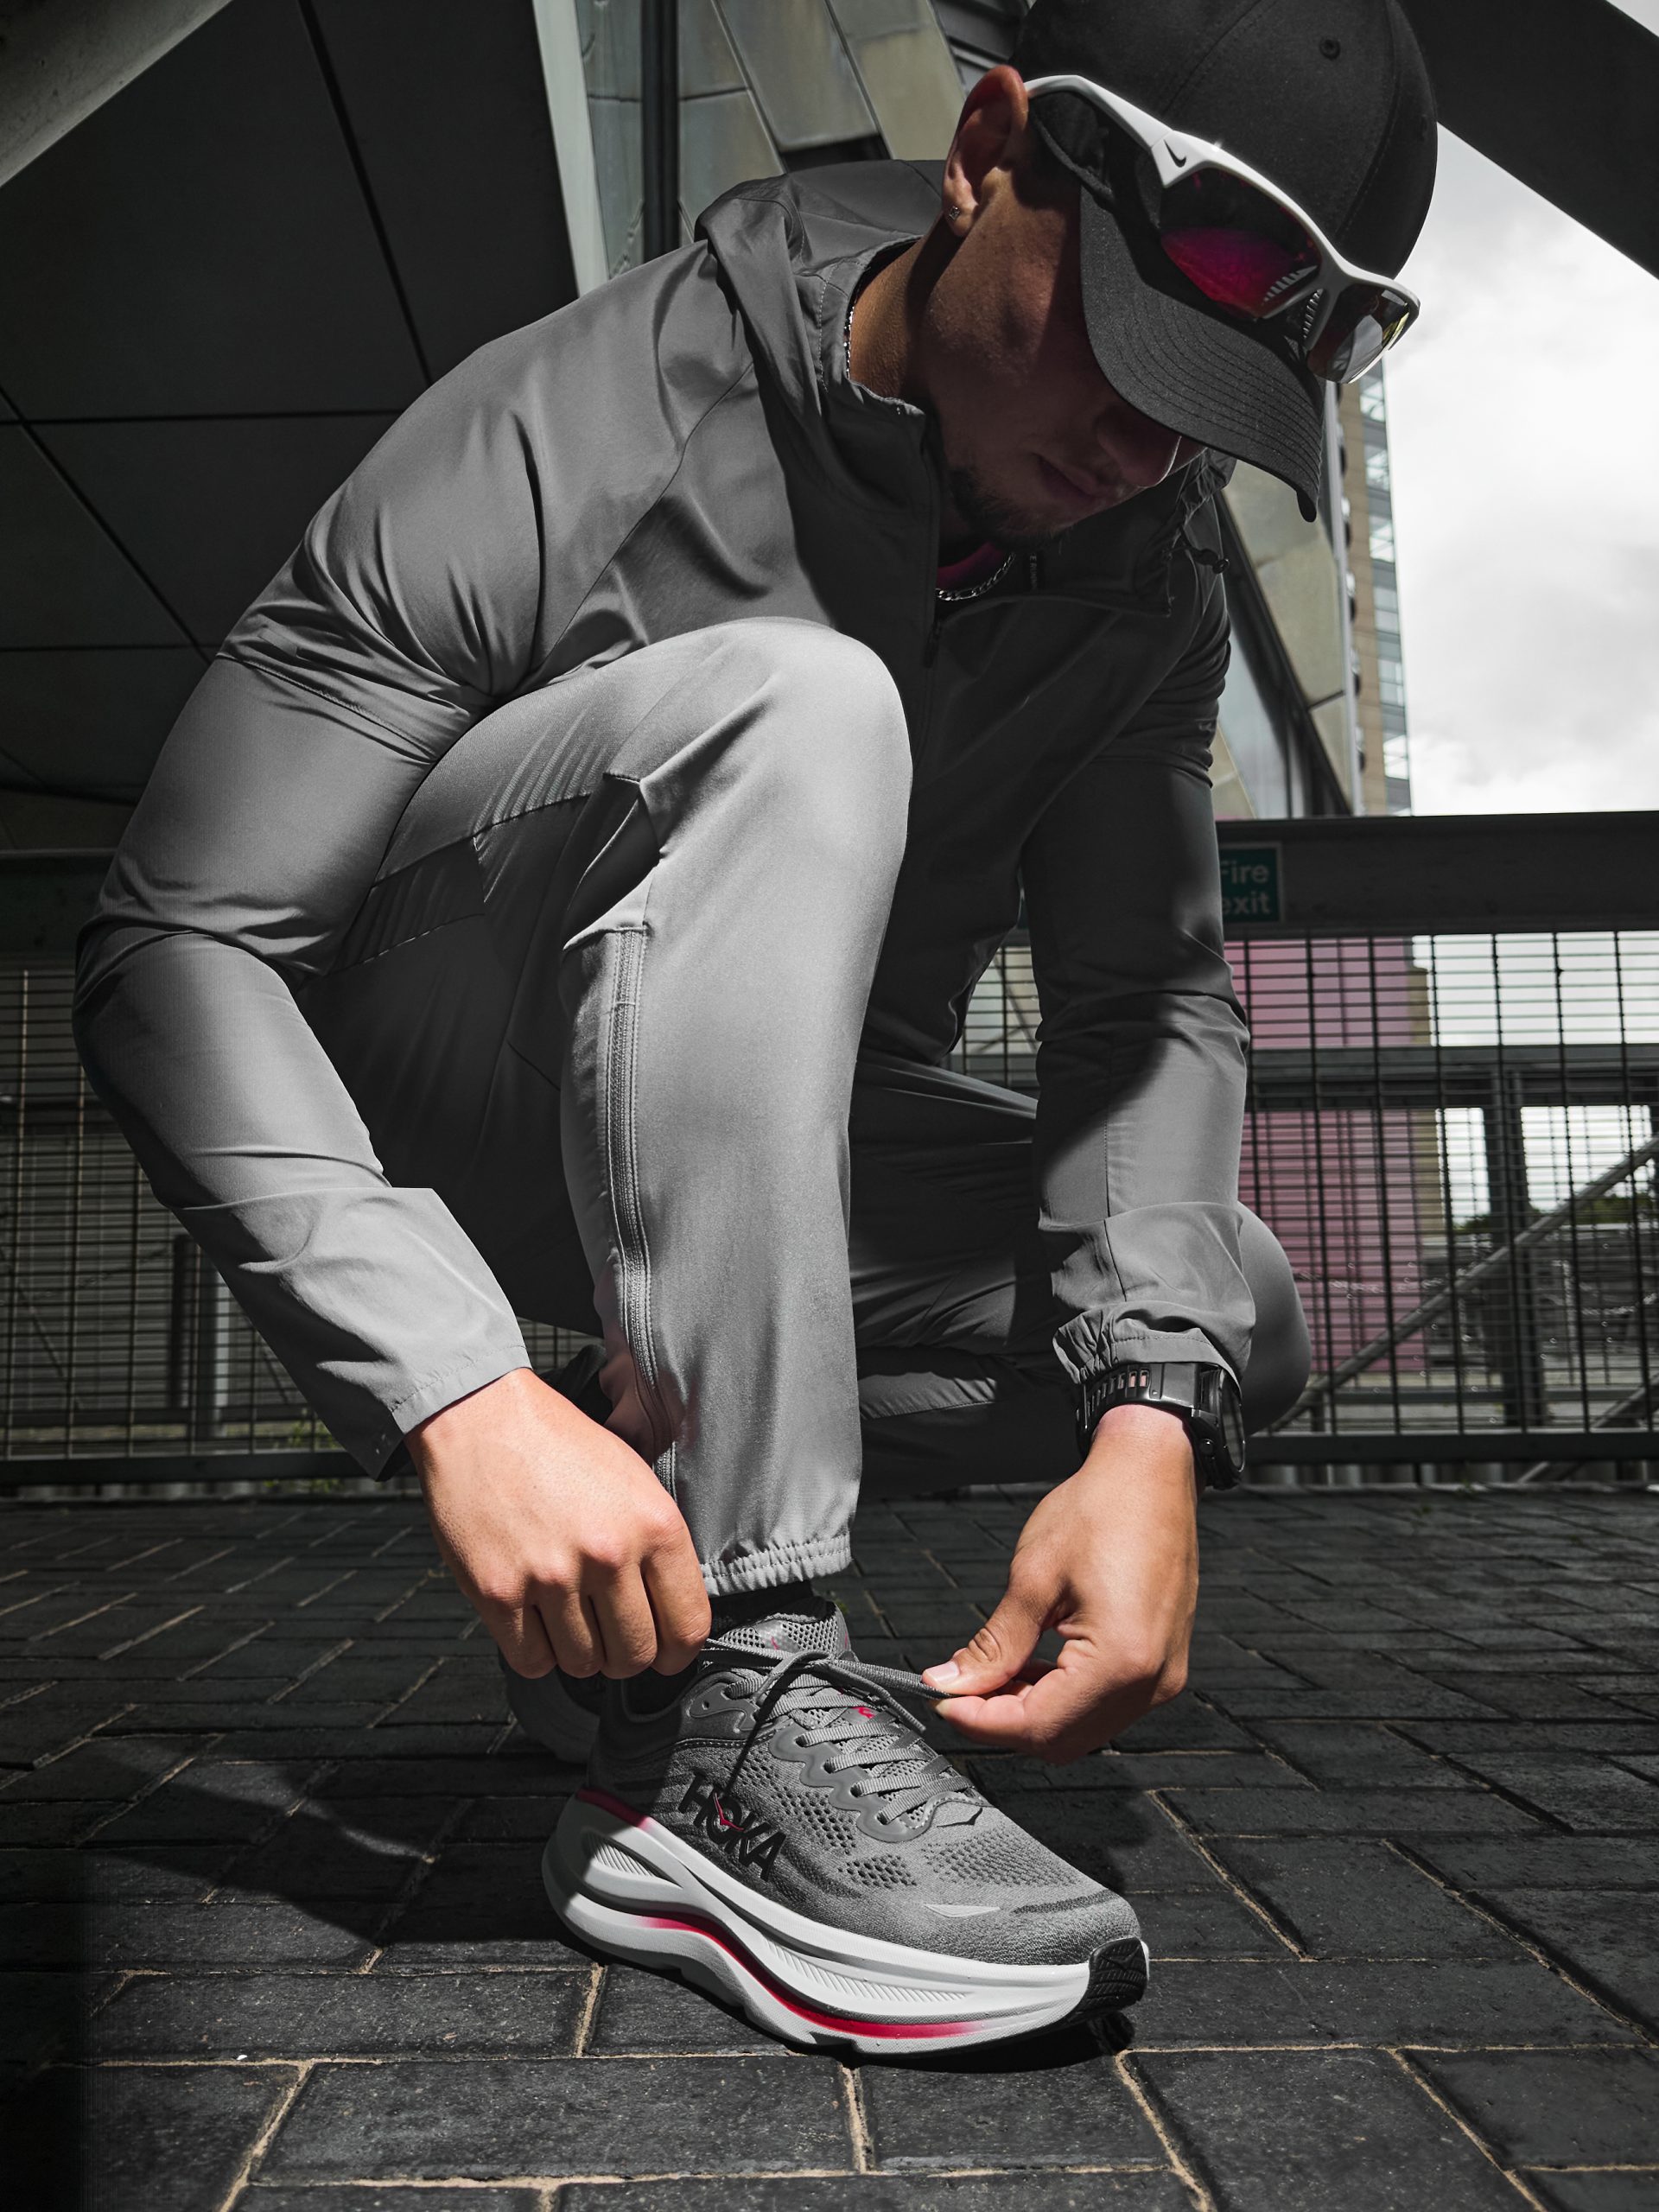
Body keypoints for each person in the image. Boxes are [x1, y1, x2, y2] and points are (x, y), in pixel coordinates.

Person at [74, 0, 1436, 2052]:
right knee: (804, 700)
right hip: (445, 1096)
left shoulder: (1136, 570)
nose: (1142, 450)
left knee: (1214, 1306)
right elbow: (176, 938)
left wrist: (1147, 1425)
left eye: (1208, 413)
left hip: (766, 1165)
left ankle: (637, 1603)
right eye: (1128, 349)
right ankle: (724, 1711)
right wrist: (456, 1387)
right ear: (987, 150)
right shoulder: (582, 414)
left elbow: (1141, 994)